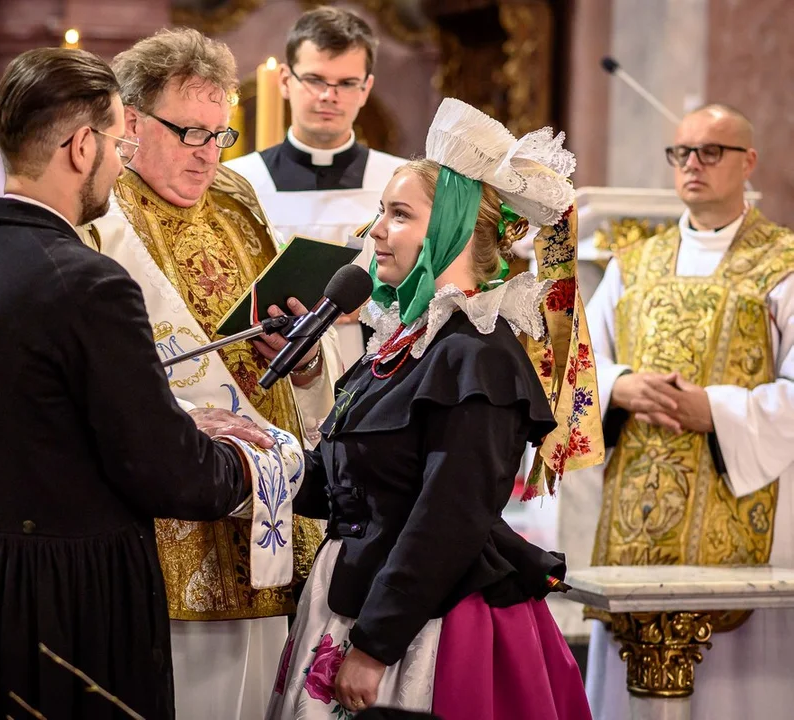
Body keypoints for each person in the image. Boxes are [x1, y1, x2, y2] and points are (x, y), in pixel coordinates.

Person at [0, 48, 288, 720]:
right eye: (118, 142)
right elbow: (170, 477)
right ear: (80, 146)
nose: (121, 159)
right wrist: (255, 457)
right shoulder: (91, 285)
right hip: (72, 605)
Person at [266, 98, 594, 720]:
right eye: (380, 213)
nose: (376, 231)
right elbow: (344, 485)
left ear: (451, 225)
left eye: (398, 215)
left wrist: (374, 644)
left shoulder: (479, 354)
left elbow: (450, 514)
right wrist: (248, 459)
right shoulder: (406, 339)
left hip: (425, 626)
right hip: (350, 595)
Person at [92, 28, 343, 720]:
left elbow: (285, 341)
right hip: (167, 521)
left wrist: (304, 358)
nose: (208, 154)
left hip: (268, 504)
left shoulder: (233, 198)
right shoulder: (98, 211)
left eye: (218, 134)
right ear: (130, 123)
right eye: (190, 133)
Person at [584, 105, 794, 719]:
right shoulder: (633, 264)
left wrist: (718, 411)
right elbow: (578, 369)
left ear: (748, 162)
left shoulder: (785, 264)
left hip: (743, 505)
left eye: (710, 152)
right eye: (681, 153)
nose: (692, 165)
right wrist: (617, 387)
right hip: (636, 518)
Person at [227, 6, 405, 364]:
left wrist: (368, 308)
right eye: (315, 79)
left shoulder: (400, 181)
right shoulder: (240, 181)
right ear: (285, 81)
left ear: (366, 88)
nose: (328, 96)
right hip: (266, 363)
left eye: (346, 83)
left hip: (371, 367)